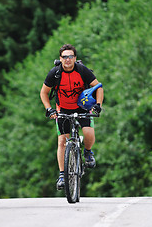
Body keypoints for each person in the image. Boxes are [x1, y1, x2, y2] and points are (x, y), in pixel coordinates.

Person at [40, 44, 104, 190]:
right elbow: (43, 92)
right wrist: (49, 109)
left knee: (88, 132)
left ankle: (87, 152)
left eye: (70, 57)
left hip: (82, 107)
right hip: (62, 108)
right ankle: (62, 174)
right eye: (64, 57)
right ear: (60, 59)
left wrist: (98, 105)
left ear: (75, 58)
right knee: (62, 140)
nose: (67, 60)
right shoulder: (54, 73)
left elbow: (98, 87)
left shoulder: (82, 70)